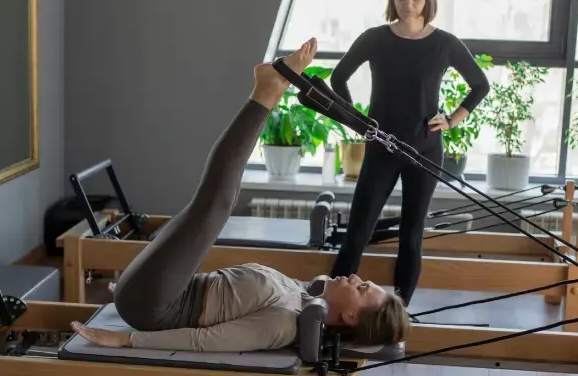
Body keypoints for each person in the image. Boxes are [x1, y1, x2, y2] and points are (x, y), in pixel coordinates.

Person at [71, 39, 410, 353]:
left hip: (155, 307)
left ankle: (266, 92)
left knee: (216, 205)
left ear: (350, 316)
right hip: (161, 291)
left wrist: (127, 339)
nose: (356, 277)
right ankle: (267, 90)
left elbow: (205, 340)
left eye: (362, 288)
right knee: (209, 206)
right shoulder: (304, 295)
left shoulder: (283, 323)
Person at [329, 0, 491, 305]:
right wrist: (356, 120)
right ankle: (330, 308)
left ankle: (398, 313)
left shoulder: (445, 43)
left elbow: (480, 84)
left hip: (425, 150)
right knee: (357, 233)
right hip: (381, 149)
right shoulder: (375, 38)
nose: (408, 5)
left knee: (411, 235)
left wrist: (453, 118)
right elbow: (338, 77)